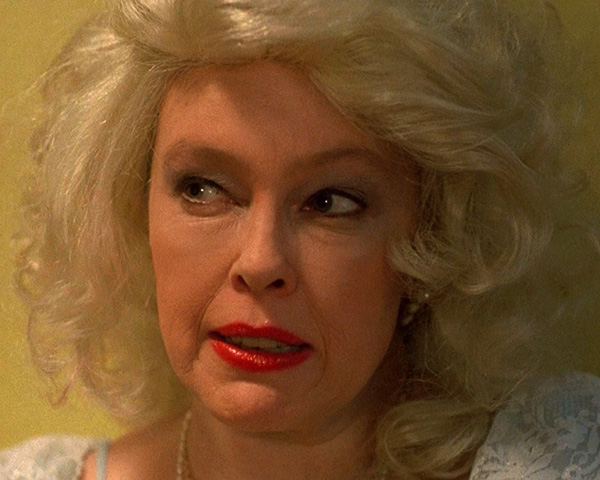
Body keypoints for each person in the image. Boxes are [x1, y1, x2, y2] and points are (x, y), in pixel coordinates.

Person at [1, 0, 600, 478]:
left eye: (330, 202)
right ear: (136, 205)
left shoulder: (563, 456)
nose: (261, 261)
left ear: (433, 236)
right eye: (205, 189)